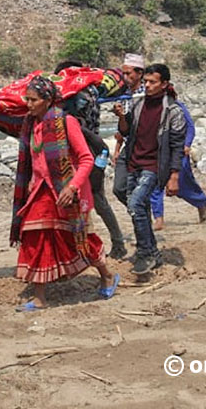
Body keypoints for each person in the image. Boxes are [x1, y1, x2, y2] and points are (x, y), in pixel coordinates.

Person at [11, 76, 119, 311]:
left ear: (48, 100)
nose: (28, 104)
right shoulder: (30, 125)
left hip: (67, 192)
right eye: (26, 99)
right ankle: (39, 297)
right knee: (34, 237)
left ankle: (107, 275)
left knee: (79, 238)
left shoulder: (66, 122)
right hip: (40, 192)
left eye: (33, 100)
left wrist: (72, 187)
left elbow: (86, 158)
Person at [53, 60, 127, 260]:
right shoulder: (91, 91)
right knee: (95, 198)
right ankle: (111, 242)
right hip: (95, 152)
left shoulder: (73, 97)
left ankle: (100, 246)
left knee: (89, 198)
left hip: (83, 153)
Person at [117, 64, 186, 275]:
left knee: (136, 204)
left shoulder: (173, 111)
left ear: (164, 84)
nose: (146, 85)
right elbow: (126, 131)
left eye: (152, 82)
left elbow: (176, 146)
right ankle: (153, 252)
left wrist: (174, 175)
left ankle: (145, 252)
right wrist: (121, 116)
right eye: (145, 81)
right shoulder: (138, 104)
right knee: (138, 206)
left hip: (154, 166)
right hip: (134, 162)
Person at [149, 98, 206, 230]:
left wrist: (187, 144)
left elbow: (190, 127)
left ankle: (200, 201)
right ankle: (158, 219)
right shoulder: (150, 107)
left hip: (178, 151)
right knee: (155, 184)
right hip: (160, 152)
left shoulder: (177, 106)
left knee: (181, 185)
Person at [112, 53, 146, 206]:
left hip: (146, 147)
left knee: (142, 187)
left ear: (139, 74)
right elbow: (124, 130)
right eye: (123, 73)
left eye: (128, 73)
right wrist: (121, 116)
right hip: (129, 146)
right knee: (119, 188)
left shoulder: (148, 93)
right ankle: (139, 211)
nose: (125, 77)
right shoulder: (124, 95)